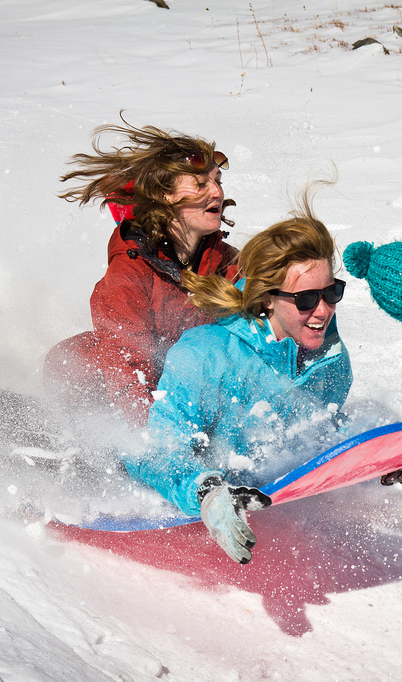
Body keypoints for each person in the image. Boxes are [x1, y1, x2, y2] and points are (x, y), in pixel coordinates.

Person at [118, 192, 360, 564]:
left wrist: (378, 456)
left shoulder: (330, 359)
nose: (323, 311)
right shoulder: (206, 356)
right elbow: (154, 453)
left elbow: (322, 425)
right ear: (266, 299)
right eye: (307, 299)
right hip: (143, 472)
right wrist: (209, 492)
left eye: (332, 292)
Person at [44, 121, 239, 426]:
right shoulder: (128, 274)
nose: (217, 191)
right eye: (201, 184)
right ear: (164, 196)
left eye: (218, 180)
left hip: (165, 395)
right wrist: (166, 446)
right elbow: (128, 376)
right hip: (88, 389)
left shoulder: (227, 265)